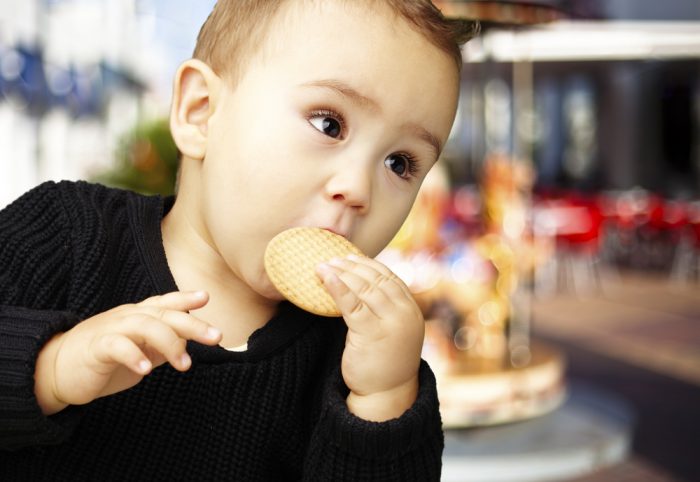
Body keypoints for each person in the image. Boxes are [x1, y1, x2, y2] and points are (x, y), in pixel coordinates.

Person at [0, 0, 478, 479]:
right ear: (201, 112)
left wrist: (382, 402)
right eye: (328, 123)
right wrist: (51, 370)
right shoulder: (65, 232)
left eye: (400, 163)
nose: (357, 188)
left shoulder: (355, 359)